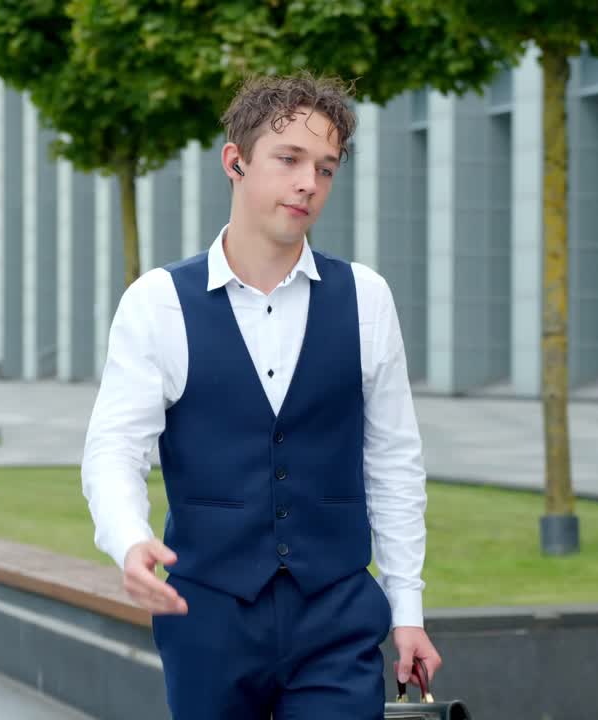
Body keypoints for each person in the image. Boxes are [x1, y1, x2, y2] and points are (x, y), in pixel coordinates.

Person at [81, 72, 439, 719]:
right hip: (207, 617)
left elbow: (393, 461)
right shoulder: (157, 302)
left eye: (326, 168)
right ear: (236, 161)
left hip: (337, 618)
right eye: (290, 159)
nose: (309, 182)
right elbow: (113, 448)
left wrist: (407, 609)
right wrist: (130, 541)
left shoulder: (367, 298)